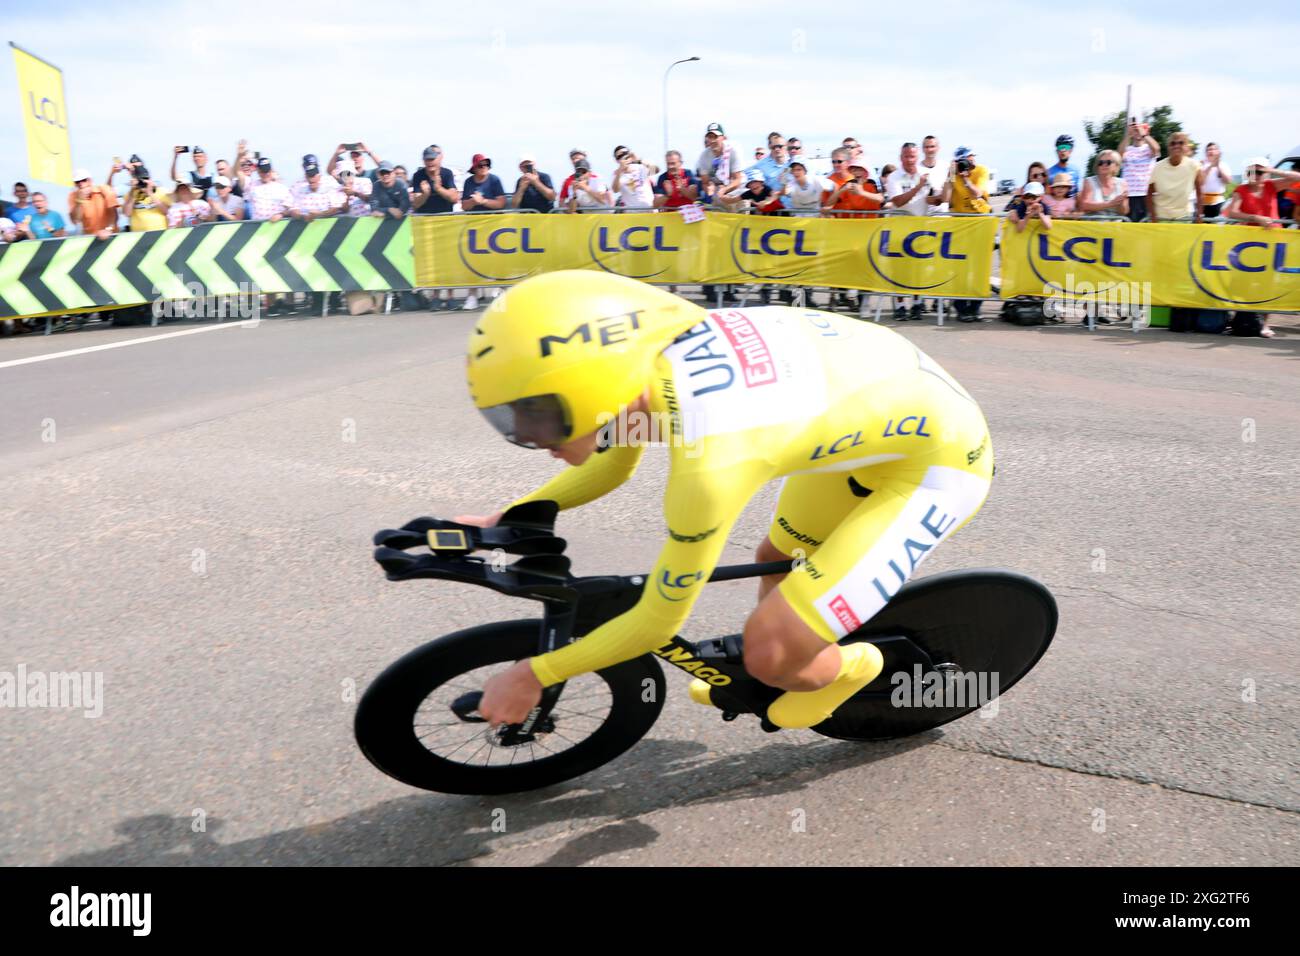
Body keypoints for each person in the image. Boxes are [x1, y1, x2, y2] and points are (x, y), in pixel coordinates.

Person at [460, 271, 994, 732]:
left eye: (534, 414)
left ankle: (857, 667)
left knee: (771, 653)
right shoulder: (646, 368)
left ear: (595, 389)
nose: (529, 435)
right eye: (511, 418)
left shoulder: (712, 461)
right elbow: (615, 460)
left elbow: (656, 623)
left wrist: (535, 674)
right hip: (874, 424)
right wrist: (507, 519)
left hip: (937, 463)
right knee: (774, 559)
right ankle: (789, 656)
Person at [1225, 158, 1300, 339]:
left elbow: (1297, 177)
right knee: (1242, 281)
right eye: (1252, 171)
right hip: (1248, 244)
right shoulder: (1241, 190)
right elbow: (1232, 212)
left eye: (1259, 172)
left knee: (1268, 283)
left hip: (1273, 242)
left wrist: (1271, 170)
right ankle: (1239, 320)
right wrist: (1255, 217)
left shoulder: (1271, 185)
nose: (1256, 176)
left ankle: (1265, 324)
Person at [1147, 132, 1203, 223]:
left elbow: (1199, 193)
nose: (1176, 146)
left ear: (1186, 146)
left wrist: (1200, 215)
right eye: (1173, 143)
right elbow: (1149, 194)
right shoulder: (1158, 167)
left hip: (1184, 217)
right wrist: (1153, 216)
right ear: (1168, 147)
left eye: (1181, 143)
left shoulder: (1194, 166)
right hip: (1161, 217)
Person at [1122, 119, 1162, 221]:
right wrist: (1128, 135)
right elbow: (1119, 155)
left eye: (1141, 129)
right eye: (1136, 129)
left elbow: (1156, 149)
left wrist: (1144, 134)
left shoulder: (1148, 149)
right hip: (1129, 194)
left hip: (1146, 194)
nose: (1138, 131)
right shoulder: (1128, 149)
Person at [67, 168, 120, 239]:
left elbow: (114, 214)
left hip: (111, 237)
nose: (80, 184)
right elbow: (76, 220)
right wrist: (79, 201)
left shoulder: (104, 189)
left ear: (90, 180)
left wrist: (108, 230)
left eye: (83, 180)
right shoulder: (73, 196)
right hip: (90, 239)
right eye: (77, 182)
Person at [1077, 150, 1128, 218]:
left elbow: (1124, 212)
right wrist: (1110, 204)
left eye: (1108, 162)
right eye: (1100, 162)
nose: (1104, 165)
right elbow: (1084, 206)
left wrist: (1120, 204)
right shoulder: (1089, 181)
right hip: (1094, 225)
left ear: (1116, 166)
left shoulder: (1122, 183)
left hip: (1115, 226)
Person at [611, 146, 655, 210]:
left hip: (650, 209)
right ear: (616, 160)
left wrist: (638, 160)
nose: (623, 158)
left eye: (625, 154)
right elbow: (615, 190)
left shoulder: (640, 167)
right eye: (619, 156)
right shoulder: (616, 174)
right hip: (633, 213)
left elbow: (655, 170)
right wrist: (620, 171)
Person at [1200, 143, 1231, 218]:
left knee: (1218, 227)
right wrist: (1211, 166)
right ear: (1205, 153)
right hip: (1203, 202)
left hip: (1218, 201)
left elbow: (1228, 181)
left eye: (1213, 149)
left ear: (1218, 152)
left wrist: (1218, 167)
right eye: (1208, 150)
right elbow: (1201, 181)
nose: (1211, 151)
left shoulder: (1223, 165)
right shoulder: (1201, 164)